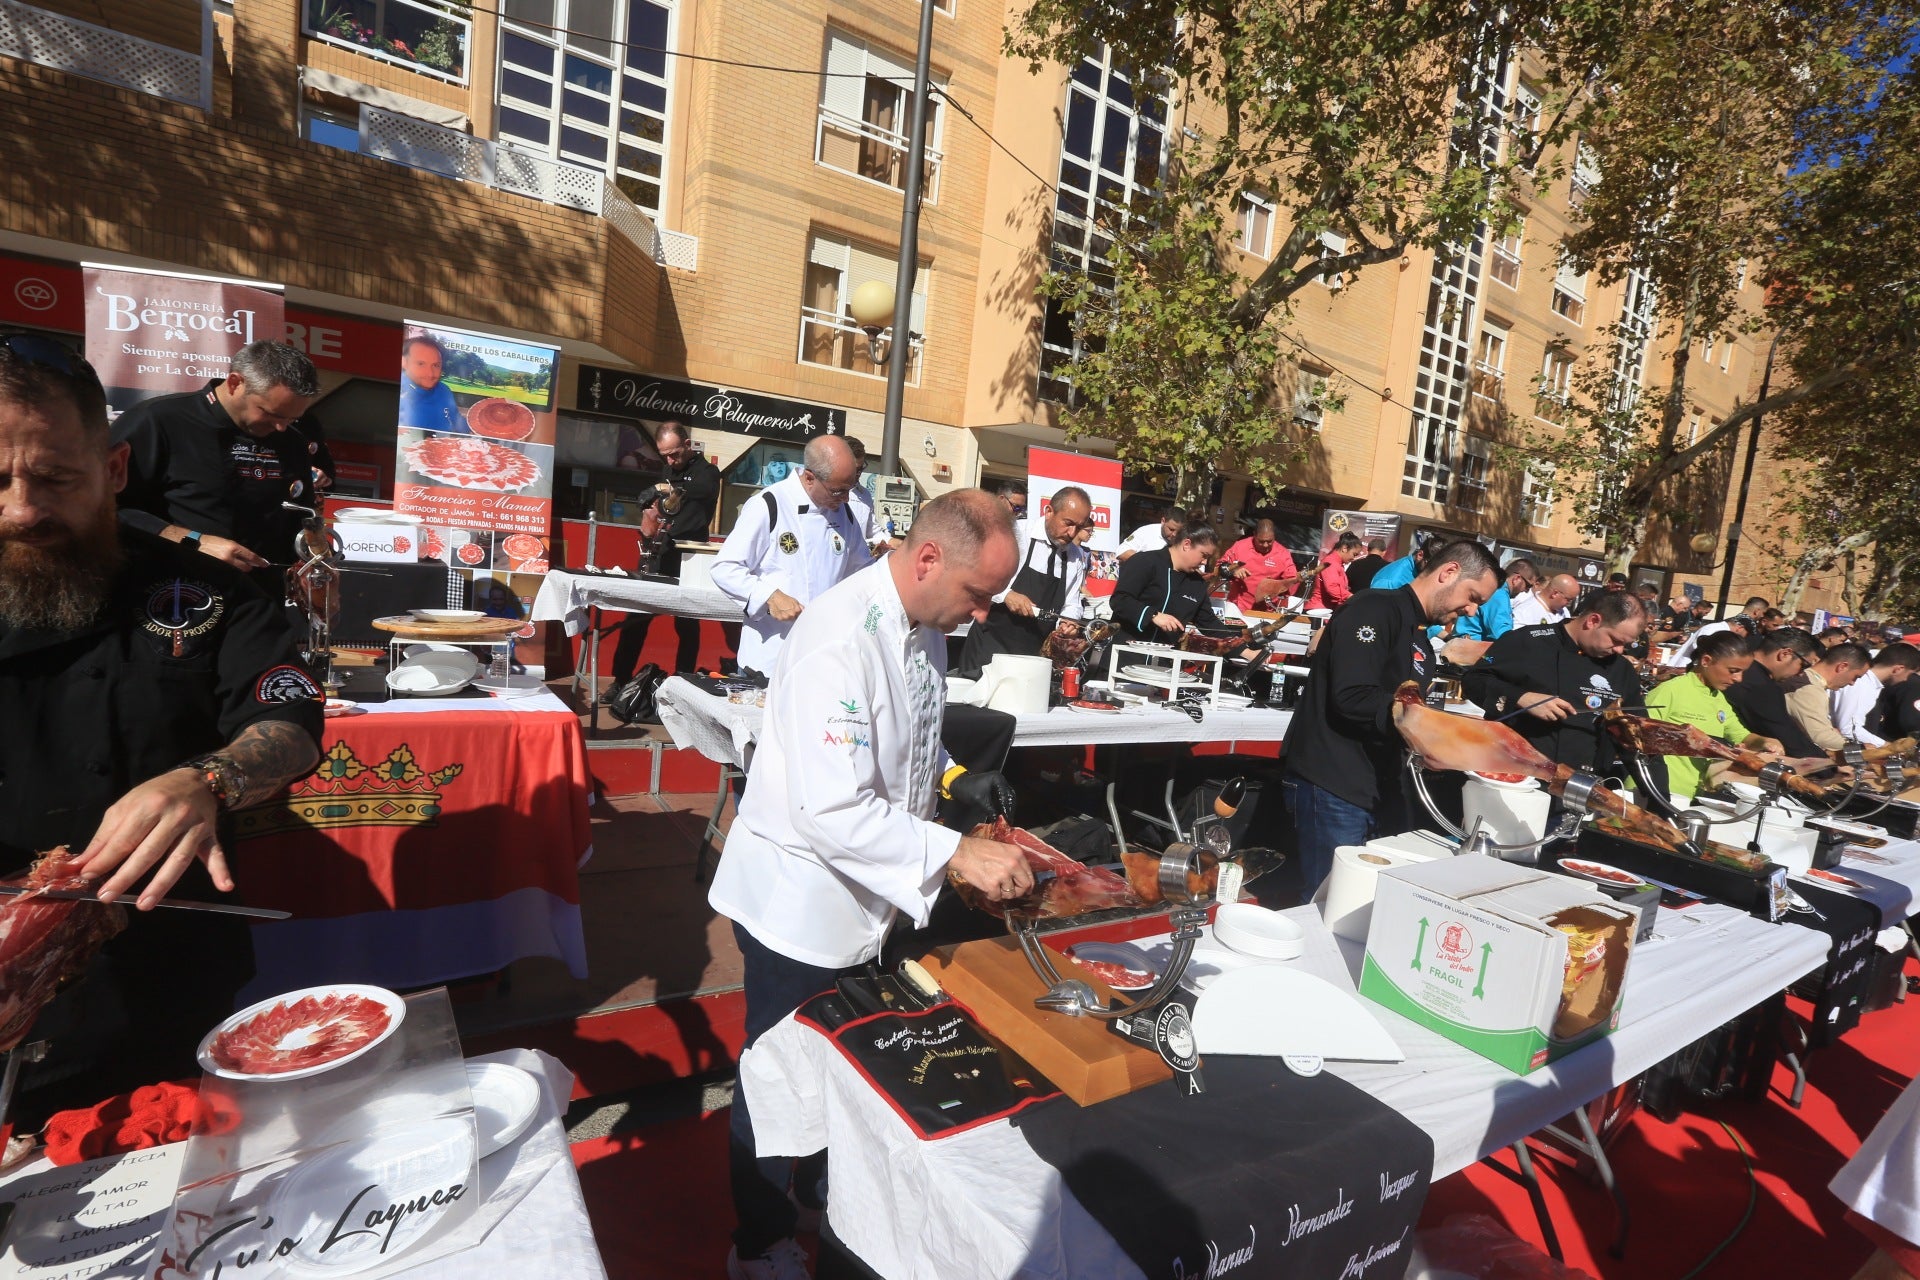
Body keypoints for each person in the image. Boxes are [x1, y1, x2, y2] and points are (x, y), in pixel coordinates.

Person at [707, 490, 1031, 1280]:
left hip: (862, 900)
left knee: (846, 1065)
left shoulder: (926, 622)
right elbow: (831, 807)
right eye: (978, 594)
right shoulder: (837, 637)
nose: (984, 613)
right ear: (928, 560)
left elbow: (913, 732)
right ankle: (758, 1240)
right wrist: (952, 854)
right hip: (799, 903)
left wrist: (956, 782)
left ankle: (819, 1184)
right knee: (778, 1075)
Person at [0, 336, 323, 1120]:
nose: (21, 510)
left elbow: (288, 717)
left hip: (157, 984)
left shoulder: (210, 593)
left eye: (55, 479)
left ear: (113, 471)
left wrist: (208, 778)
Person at [1282, 540, 1500, 892]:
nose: (1473, 611)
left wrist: (1432, 745)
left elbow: (1402, 710)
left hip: (1377, 787)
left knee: (1367, 901)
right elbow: (1352, 696)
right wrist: (1428, 728)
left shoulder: (1420, 639)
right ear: (1449, 572)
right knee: (1331, 901)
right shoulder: (1373, 608)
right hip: (1334, 783)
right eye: (1473, 596)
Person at [111, 341, 323, 582]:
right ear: (235, 383)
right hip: (173, 594)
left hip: (260, 601)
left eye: (292, 419)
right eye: (271, 413)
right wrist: (192, 541)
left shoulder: (292, 442)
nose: (281, 427)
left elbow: (305, 515)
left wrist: (318, 563)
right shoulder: (158, 421)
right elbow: (103, 509)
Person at [710, 435, 873, 677]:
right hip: (770, 658)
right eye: (838, 491)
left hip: (821, 656)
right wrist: (769, 596)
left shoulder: (845, 514)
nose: (846, 499)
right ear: (809, 478)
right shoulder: (768, 505)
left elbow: (861, 573)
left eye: (849, 490)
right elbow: (725, 568)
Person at [1461, 589, 1648, 773]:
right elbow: (1473, 681)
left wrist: (1658, 796)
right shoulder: (1527, 641)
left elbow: (1638, 736)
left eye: (1626, 644)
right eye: (1615, 640)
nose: (1619, 650)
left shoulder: (1621, 669)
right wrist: (1521, 698)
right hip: (1517, 772)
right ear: (1593, 621)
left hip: (1584, 784)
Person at [607, 422, 722, 690]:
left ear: (687, 444)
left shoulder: (708, 472)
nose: (670, 460)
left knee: (687, 626)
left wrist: (662, 488)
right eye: (665, 455)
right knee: (635, 618)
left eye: (674, 453)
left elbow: (697, 491)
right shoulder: (669, 470)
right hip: (660, 549)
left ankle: (682, 683)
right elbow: (663, 501)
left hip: (689, 556)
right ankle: (620, 679)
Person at [957, 485, 1093, 676]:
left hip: (1034, 656)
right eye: (1067, 523)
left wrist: (1068, 622)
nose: (1072, 533)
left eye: (1078, 527)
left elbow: (1071, 602)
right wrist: (1006, 595)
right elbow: (975, 576)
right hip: (991, 646)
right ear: (1049, 511)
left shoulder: (1076, 556)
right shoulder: (1014, 533)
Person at [1642, 631, 1784, 802]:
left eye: (1742, 672)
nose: (1738, 679)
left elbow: (1739, 734)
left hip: (1693, 794)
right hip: (1658, 789)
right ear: (1706, 661)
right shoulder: (1670, 690)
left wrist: (1766, 742)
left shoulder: (1718, 698)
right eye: (1733, 671)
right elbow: (1640, 735)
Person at [1111, 522, 1239, 643]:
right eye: (1203, 555)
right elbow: (1120, 600)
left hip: (1163, 661)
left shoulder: (1197, 583)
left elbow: (1209, 622)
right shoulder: (1145, 561)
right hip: (1125, 653)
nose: (1205, 562)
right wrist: (1153, 615)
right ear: (1187, 544)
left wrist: (1240, 645)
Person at [1723, 627, 1826, 759]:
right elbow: (1787, 737)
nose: (1801, 674)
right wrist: (1827, 766)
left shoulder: (1741, 671)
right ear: (1784, 654)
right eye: (1804, 665)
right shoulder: (1761, 686)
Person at [1790, 641, 1871, 755]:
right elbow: (1821, 737)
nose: (1852, 683)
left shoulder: (1810, 683)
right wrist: (1863, 748)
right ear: (1842, 667)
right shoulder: (1809, 689)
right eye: (1855, 677)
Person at [1834, 642, 1920, 747]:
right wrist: (1887, 746)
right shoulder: (1861, 684)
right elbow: (1848, 728)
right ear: (1898, 669)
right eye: (1909, 674)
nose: (1906, 679)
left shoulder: (1871, 685)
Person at [1220, 519, 1300, 612]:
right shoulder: (1240, 546)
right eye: (1261, 541)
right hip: (1238, 606)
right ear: (1254, 535)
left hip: (1268, 609)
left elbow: (1293, 580)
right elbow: (1220, 566)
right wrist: (1234, 570)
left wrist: (1276, 588)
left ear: (1274, 536)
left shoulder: (1283, 554)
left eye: (1270, 541)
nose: (1265, 545)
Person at [1453, 556, 1539, 643]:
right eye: (1528, 586)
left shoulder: (1497, 590)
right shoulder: (1499, 594)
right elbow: (1502, 634)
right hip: (1471, 649)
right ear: (1516, 579)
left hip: (1465, 645)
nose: (1527, 590)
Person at [396, 332, 467, 435]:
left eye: (436, 365)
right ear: (404, 363)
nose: (430, 374)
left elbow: (457, 420)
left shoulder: (444, 390)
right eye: (421, 364)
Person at [1868, 646, 1920, 744]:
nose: (1905, 678)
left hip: (1874, 739)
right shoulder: (1914, 685)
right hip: (1887, 743)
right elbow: (1912, 723)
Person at [1304, 532, 1365, 611]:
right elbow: (1332, 588)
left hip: (1326, 609)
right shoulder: (1330, 562)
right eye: (1354, 554)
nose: (1353, 558)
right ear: (1344, 548)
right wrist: (1351, 597)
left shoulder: (1337, 564)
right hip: (1319, 610)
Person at [1368, 532, 1434, 592]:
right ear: (1420, 555)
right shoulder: (1391, 581)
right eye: (1432, 565)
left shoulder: (1422, 573)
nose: (1434, 571)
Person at [1115, 507, 1187, 562]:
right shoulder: (1146, 532)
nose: (1174, 534)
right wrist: (1147, 562)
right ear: (1163, 521)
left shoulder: (1186, 539)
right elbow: (1121, 551)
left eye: (1179, 531)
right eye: (1171, 529)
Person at [1509, 572, 1579, 629]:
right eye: (1568, 599)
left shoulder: (1564, 612)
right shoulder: (1525, 612)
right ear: (1555, 593)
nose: (1568, 603)